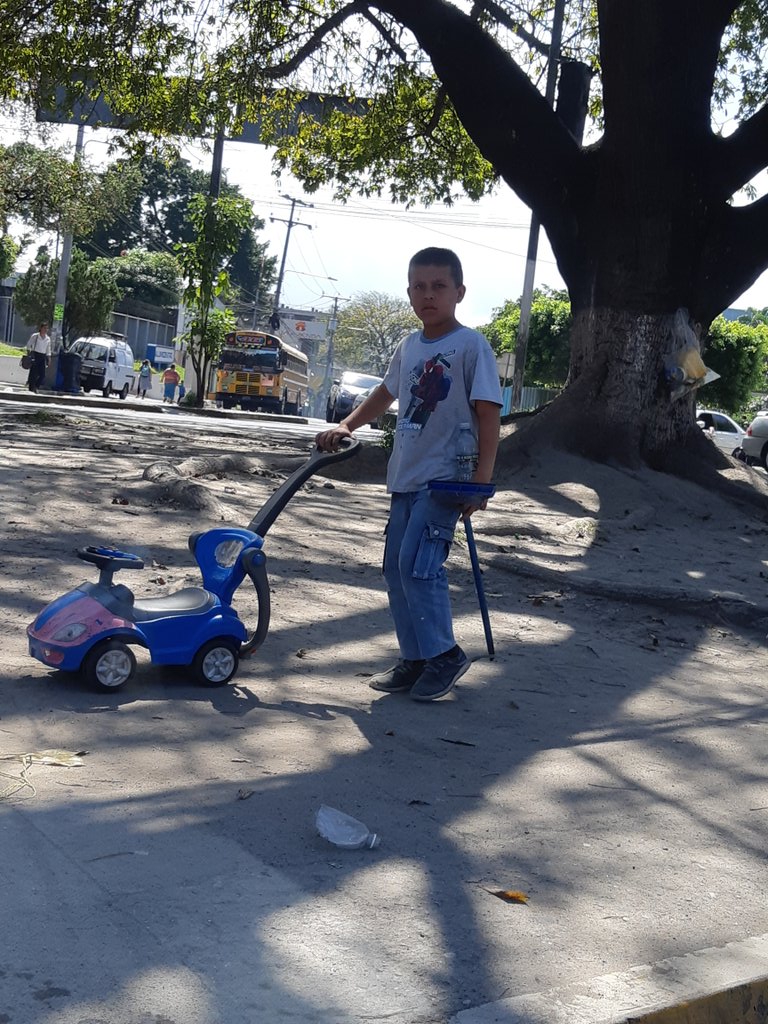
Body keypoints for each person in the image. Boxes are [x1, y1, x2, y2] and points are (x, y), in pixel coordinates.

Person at [316, 247, 502, 702]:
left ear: (459, 292)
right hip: (405, 477)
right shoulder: (409, 345)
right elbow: (385, 393)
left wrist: (481, 482)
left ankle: (445, 655)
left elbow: (488, 414)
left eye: (439, 286)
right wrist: (347, 424)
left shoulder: (471, 346)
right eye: (419, 286)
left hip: (446, 480)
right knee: (395, 569)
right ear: (408, 293)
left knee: (418, 568)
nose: (428, 295)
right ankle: (415, 658)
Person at [26, 322, 52, 393]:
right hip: (35, 354)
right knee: (33, 373)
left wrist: (49, 358)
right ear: (40, 328)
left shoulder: (48, 339)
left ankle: (36, 386)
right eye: (44, 328)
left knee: (42, 375)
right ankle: (31, 387)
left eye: (47, 328)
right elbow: (28, 345)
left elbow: (48, 349)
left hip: (42, 356)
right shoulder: (35, 336)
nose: (45, 330)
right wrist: (29, 354)